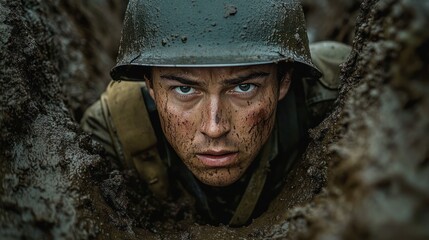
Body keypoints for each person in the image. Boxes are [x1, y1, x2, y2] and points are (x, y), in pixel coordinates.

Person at [81, 0, 351, 226]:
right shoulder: (112, 134)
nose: (214, 127)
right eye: (184, 90)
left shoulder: (340, 95)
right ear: (149, 84)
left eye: (244, 87)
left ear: (284, 81)